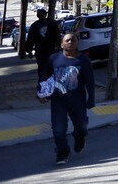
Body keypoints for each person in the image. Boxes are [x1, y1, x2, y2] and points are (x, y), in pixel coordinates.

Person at [39, 32, 95, 166]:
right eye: (67, 40)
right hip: (58, 100)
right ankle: (62, 152)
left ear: (77, 43)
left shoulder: (83, 60)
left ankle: (80, 138)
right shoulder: (54, 59)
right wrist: (40, 93)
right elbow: (44, 76)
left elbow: (89, 81)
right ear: (61, 44)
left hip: (78, 100)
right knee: (58, 129)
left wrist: (91, 99)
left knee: (81, 126)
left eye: (73, 40)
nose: (70, 42)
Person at [23, 9, 62, 82]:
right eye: (40, 14)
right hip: (40, 50)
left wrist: (58, 46)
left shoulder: (52, 23)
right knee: (42, 67)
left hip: (51, 49)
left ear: (45, 14)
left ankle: (52, 81)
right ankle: (42, 82)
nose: (42, 16)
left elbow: (57, 35)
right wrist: (29, 50)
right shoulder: (35, 25)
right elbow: (30, 39)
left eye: (43, 14)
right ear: (37, 15)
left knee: (52, 66)